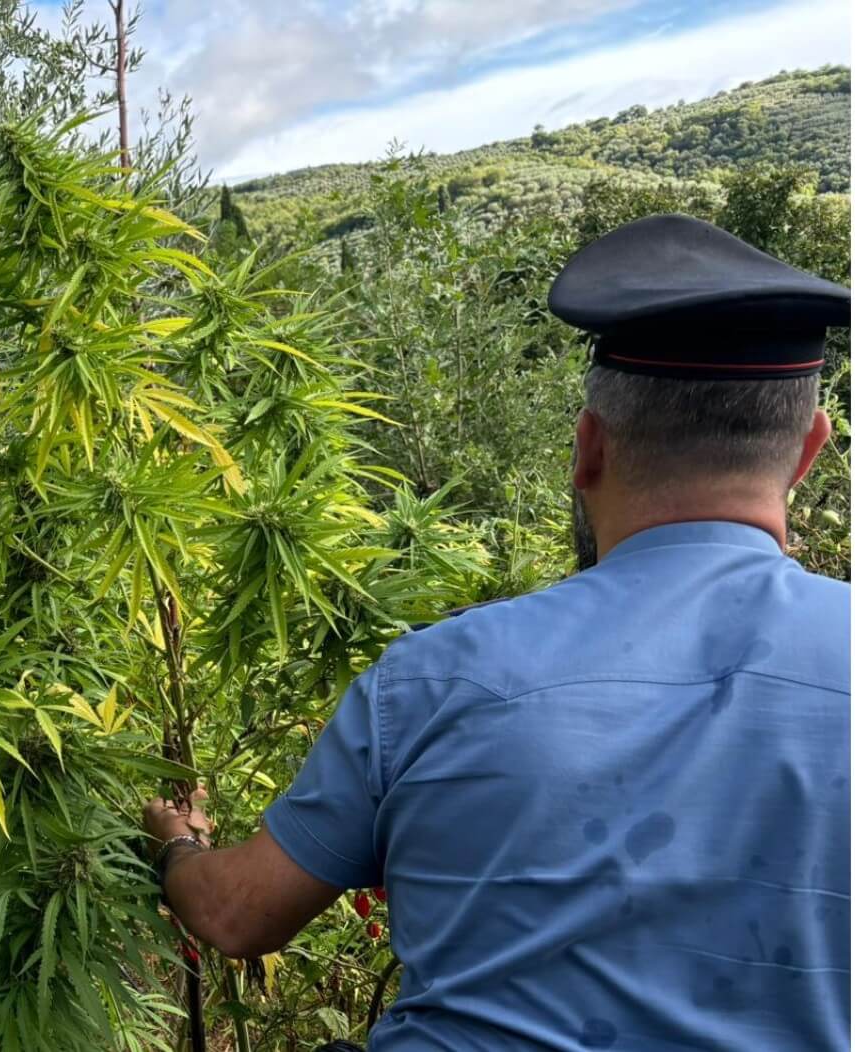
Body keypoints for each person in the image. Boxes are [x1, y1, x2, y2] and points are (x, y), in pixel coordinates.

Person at [143, 214, 851, 1050]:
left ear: (588, 449)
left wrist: (177, 847)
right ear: (809, 450)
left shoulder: (433, 679)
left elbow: (235, 915)